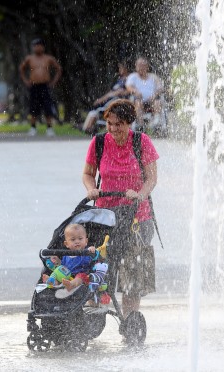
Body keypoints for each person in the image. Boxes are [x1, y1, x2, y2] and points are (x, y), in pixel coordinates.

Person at [82, 99, 159, 319]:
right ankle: (92, 318)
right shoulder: (98, 142)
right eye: (110, 124)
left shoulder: (141, 142)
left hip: (137, 219)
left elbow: (152, 178)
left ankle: (130, 321)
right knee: (101, 269)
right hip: (106, 217)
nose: (114, 129)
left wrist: (140, 194)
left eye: (120, 124)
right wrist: (91, 188)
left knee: (131, 277)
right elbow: (87, 174)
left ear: (129, 123)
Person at [19, 39, 62, 137]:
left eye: (40, 45)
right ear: (33, 47)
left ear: (43, 47)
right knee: (34, 107)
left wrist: (53, 82)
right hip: (34, 86)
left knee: (47, 107)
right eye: (35, 45)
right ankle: (33, 127)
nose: (38, 47)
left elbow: (58, 69)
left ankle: (49, 128)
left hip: (45, 85)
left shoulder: (48, 58)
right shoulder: (29, 58)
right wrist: (26, 80)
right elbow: (21, 68)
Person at [42, 224, 97, 291]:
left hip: (83, 276)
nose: (77, 241)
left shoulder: (87, 252)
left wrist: (93, 250)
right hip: (67, 275)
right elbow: (63, 265)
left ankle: (71, 285)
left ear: (86, 241)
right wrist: (57, 260)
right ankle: (52, 282)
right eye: (73, 240)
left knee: (80, 277)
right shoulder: (66, 254)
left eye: (80, 238)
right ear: (66, 244)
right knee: (59, 273)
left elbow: (95, 257)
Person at [81, 62, 130, 134]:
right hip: (110, 100)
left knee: (97, 111)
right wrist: (102, 99)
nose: (119, 70)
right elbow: (111, 92)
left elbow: (122, 92)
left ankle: (89, 128)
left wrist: (107, 96)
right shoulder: (120, 80)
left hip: (116, 102)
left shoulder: (128, 79)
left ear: (126, 69)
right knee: (93, 111)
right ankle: (87, 128)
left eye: (121, 68)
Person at [126, 57, 164, 127]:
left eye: (143, 65)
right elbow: (128, 87)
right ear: (136, 66)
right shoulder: (132, 76)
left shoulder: (153, 77)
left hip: (152, 100)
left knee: (157, 102)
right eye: (139, 65)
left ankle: (156, 123)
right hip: (139, 100)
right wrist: (135, 91)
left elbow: (160, 88)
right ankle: (141, 125)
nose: (141, 67)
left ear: (147, 67)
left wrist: (155, 95)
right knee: (138, 102)